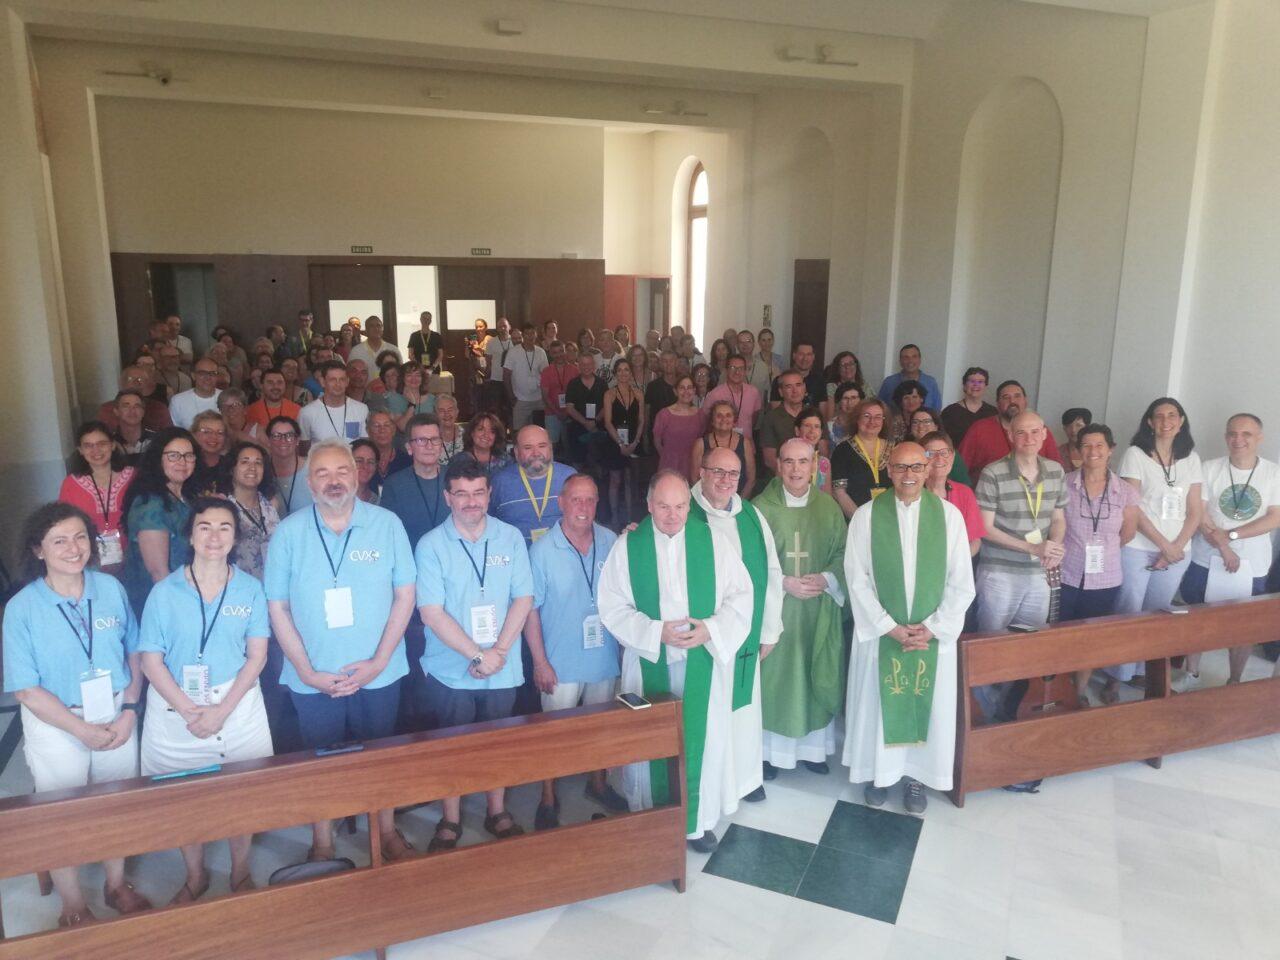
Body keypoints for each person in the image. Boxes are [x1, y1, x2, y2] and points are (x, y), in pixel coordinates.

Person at [265, 439, 417, 862]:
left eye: (342, 471)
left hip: (379, 671)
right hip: (313, 676)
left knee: (380, 755)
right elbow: (276, 606)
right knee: (320, 764)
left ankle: (385, 830)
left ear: (356, 474)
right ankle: (323, 842)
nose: (334, 481)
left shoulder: (387, 525)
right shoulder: (289, 532)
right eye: (322, 473)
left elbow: (405, 595)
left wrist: (379, 661)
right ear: (309, 482)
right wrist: (306, 670)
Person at [3, 503, 151, 926]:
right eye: (59, 541)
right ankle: (73, 902)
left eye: (81, 536)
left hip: (115, 710)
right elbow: (26, 688)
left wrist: (128, 710)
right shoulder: (22, 608)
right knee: (60, 813)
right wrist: (80, 730)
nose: (73, 548)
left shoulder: (109, 589)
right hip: (57, 719)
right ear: (38, 550)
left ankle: (115, 883)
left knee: (115, 801)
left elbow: (134, 651)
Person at [598, 470, 754, 853]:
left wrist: (711, 630)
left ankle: (695, 823)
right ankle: (650, 818)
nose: (672, 515)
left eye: (680, 506)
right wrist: (655, 633)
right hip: (652, 659)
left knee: (700, 739)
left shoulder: (713, 542)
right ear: (649, 505)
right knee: (650, 743)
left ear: (690, 504)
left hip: (701, 659)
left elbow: (741, 597)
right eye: (663, 506)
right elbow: (612, 607)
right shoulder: (628, 546)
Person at [138, 498, 272, 902]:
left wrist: (221, 711)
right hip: (176, 706)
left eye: (225, 527)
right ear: (190, 534)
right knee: (185, 800)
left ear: (235, 537)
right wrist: (189, 710)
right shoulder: (164, 592)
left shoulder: (250, 588)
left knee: (242, 796)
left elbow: (258, 655)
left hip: (237, 703)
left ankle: (241, 870)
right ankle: (194, 875)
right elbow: (149, 659)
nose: (214, 536)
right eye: (205, 527)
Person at [842, 442, 976, 812]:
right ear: (889, 470)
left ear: (928, 468)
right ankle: (878, 774)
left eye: (916, 467)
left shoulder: (949, 517)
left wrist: (933, 627)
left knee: (926, 706)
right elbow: (857, 579)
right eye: (900, 467)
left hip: (930, 639)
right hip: (882, 637)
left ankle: (917, 778)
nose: (908, 475)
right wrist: (888, 626)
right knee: (877, 705)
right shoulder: (867, 517)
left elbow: (962, 582)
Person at [415, 457, 534, 850]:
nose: (471, 502)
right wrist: (476, 655)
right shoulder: (431, 545)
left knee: (497, 744)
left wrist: (497, 651)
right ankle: (450, 819)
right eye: (461, 494)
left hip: (503, 665)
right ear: (448, 497)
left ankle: (496, 810)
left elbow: (524, 596)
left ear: (489, 493)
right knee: (453, 745)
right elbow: (431, 612)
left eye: (478, 492)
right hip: (452, 669)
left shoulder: (510, 537)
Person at [523, 474, 628, 829]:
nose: (583, 508)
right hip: (559, 662)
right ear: (561, 503)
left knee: (601, 729)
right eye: (576, 500)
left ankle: (598, 783)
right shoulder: (541, 550)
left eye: (591, 500)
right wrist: (539, 662)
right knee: (553, 735)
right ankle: (548, 796)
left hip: (603, 658)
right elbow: (530, 610)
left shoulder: (611, 541)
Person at [750, 438, 848, 779]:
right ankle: (768, 755)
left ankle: (813, 749)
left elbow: (843, 555)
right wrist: (784, 582)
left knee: (812, 670)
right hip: (776, 612)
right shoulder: (760, 508)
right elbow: (749, 563)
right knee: (776, 679)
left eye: (802, 462)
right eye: (788, 462)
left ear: (814, 465)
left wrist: (824, 579)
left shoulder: (828, 507)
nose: (795, 469)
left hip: (818, 610)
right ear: (777, 465)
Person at [692, 447, 784, 804]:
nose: (725, 480)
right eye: (718, 471)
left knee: (743, 711)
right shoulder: (684, 513)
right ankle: (711, 785)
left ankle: (745, 779)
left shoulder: (752, 517)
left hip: (744, 634)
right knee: (710, 712)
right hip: (704, 637)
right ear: (702, 472)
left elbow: (772, 572)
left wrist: (770, 628)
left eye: (733, 474)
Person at [974, 411, 1067, 719]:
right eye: (1021, 433)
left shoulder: (1055, 471)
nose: (1029, 439)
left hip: (1037, 575)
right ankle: (987, 715)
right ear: (1010, 437)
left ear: (1045, 434)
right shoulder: (993, 472)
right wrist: (1033, 546)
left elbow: (1058, 518)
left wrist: (1055, 545)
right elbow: (985, 528)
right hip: (999, 573)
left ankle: (1010, 710)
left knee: (1026, 647)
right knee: (993, 646)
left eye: (1034, 432)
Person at [1184, 413, 1280, 683]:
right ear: (1226, 437)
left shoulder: (1273, 472)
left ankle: (1234, 680)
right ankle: (1191, 673)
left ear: (1259, 438)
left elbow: (1275, 517)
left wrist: (1232, 535)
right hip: (1206, 557)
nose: (1238, 439)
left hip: (1254, 563)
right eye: (1232, 433)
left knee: (1244, 626)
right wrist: (1224, 547)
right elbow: (1198, 511)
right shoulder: (1209, 467)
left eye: (1246, 434)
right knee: (1197, 618)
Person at [1054, 424, 1140, 703]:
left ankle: (1079, 691)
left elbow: (1128, 532)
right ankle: (1056, 688)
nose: (1093, 451)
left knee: (1091, 637)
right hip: (1065, 573)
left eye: (1099, 445)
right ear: (1078, 450)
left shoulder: (1124, 491)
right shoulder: (1063, 483)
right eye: (1087, 446)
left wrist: (1104, 549)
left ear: (1111, 449)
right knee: (1060, 634)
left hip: (1105, 578)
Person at [1116, 398, 1203, 623]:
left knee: (1158, 616)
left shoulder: (1192, 458)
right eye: (1159, 416)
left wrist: (1175, 548)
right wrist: (1165, 546)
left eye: (1172, 415)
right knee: (1128, 613)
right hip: (1138, 548)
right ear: (1150, 422)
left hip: (1178, 550)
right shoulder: (1135, 454)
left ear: (1181, 420)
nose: (1166, 421)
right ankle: (1125, 660)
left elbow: (1195, 510)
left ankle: (1146, 660)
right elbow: (1132, 507)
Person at [122, 427, 196, 614]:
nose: (182, 462)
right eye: (173, 456)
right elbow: (158, 573)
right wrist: (181, 614)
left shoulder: (185, 497)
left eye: (188, 455)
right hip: (165, 605)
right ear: (158, 459)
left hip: (190, 594)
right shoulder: (151, 505)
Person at [59, 421, 135, 575]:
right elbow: (64, 524)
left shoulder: (133, 476)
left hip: (134, 556)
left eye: (102, 443)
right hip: (90, 561)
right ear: (80, 450)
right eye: (88, 445)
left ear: (113, 445)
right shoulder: (71, 484)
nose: (96, 450)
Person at [488, 425, 576, 545]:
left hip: (562, 556)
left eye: (542, 446)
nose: (536, 453)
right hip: (517, 557)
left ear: (550, 448)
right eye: (528, 447)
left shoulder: (570, 478)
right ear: (516, 452)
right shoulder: (499, 482)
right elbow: (488, 525)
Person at [959, 379, 1063, 480]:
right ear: (998, 403)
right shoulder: (979, 429)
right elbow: (960, 468)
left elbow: (1055, 470)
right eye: (1006, 397)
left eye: (1017, 396)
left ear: (1025, 401)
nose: (1012, 401)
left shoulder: (1039, 430)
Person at [215, 440, 279, 580]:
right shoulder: (222, 507)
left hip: (272, 585)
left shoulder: (270, 505)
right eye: (245, 462)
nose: (252, 467)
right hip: (237, 589)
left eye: (258, 463)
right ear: (232, 468)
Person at [920, 431, 986, 556]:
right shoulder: (912, 494)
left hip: (957, 568)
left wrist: (955, 563)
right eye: (931, 454)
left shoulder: (964, 493)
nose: (939, 459)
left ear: (953, 456)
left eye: (944, 453)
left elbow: (975, 540)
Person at [830, 398, 894, 519]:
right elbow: (839, 492)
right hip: (855, 519)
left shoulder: (894, 449)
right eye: (866, 416)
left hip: (889, 519)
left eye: (878, 417)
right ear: (857, 418)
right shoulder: (842, 450)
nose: (872, 421)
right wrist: (860, 520)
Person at [601, 358, 645, 527]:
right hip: (615, 442)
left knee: (630, 480)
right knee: (615, 479)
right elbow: (607, 422)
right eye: (619, 370)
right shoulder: (610, 394)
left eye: (626, 369)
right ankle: (614, 517)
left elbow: (641, 420)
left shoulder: (638, 393)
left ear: (631, 372)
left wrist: (635, 442)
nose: (623, 373)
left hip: (634, 441)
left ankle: (628, 517)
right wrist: (620, 444)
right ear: (615, 373)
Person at [690, 400, 755, 495]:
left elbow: (751, 479)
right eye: (719, 416)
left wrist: (740, 503)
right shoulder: (700, 444)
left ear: (734, 421)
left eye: (728, 415)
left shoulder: (745, 443)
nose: (724, 419)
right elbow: (694, 478)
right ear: (712, 421)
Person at [299, 361, 369, 445]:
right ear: (322, 381)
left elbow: (365, 446)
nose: (338, 384)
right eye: (332, 380)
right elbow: (303, 450)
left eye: (342, 379)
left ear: (347, 381)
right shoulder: (307, 412)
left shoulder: (361, 409)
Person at [651, 374, 704, 480]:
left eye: (689, 388)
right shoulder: (664, 414)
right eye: (682, 388)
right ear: (675, 391)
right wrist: (668, 457)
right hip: (669, 465)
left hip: (693, 465)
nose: (686, 391)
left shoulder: (700, 414)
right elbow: (657, 442)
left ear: (694, 391)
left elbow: (702, 440)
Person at [759, 369, 809, 476]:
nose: (795, 391)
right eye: (789, 387)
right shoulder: (770, 418)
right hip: (782, 478)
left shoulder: (814, 415)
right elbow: (769, 460)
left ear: (804, 388)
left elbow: (823, 452)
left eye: (798, 385)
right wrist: (794, 477)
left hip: (812, 478)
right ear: (781, 392)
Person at [564, 352, 608, 468]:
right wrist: (585, 422)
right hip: (577, 426)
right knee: (578, 462)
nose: (586, 367)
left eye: (589, 364)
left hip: (598, 425)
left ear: (594, 365)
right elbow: (569, 408)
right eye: (583, 364)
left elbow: (606, 406)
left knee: (600, 460)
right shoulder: (573, 384)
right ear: (578, 366)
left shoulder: (602, 384)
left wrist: (595, 421)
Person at [265, 415, 313, 516]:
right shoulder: (260, 470)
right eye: (277, 436)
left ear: (297, 440)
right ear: (268, 440)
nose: (283, 441)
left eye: (289, 436)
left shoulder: (312, 470)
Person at [704, 353, 763, 436]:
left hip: (747, 444)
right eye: (732, 368)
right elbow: (706, 421)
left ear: (745, 371)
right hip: (721, 445)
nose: (737, 372)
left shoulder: (754, 392)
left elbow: (754, 418)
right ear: (726, 370)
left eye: (741, 368)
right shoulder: (714, 395)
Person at [503, 322, 548, 430]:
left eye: (532, 333)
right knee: (519, 432)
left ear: (536, 335)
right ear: (523, 335)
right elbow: (506, 375)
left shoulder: (541, 352)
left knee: (539, 431)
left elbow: (546, 375)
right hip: (521, 399)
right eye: (527, 334)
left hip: (539, 399)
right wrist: (512, 396)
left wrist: (546, 397)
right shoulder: (513, 352)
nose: (530, 336)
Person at [909, 407, 970, 484]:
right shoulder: (904, 451)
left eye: (927, 422)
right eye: (915, 422)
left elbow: (964, 484)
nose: (920, 426)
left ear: (936, 426)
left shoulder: (948, 452)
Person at [877, 343, 942, 411]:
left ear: (919, 359)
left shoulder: (931, 383)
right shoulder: (889, 383)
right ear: (900, 361)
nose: (910, 361)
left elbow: (936, 411)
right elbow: (880, 409)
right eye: (906, 357)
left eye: (914, 356)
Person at [539, 339, 575, 453]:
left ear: (565, 352)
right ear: (551, 354)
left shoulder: (574, 370)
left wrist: (568, 412)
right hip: (552, 413)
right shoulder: (546, 371)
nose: (559, 355)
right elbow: (545, 396)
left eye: (561, 351)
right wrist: (558, 412)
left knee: (570, 444)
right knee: (551, 445)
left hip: (572, 413)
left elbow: (577, 394)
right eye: (555, 352)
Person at [169, 357, 222, 430]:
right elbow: (173, 432)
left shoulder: (227, 398)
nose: (208, 377)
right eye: (202, 373)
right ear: (193, 376)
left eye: (212, 373)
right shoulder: (178, 401)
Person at [245, 368, 301, 435]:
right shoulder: (251, 411)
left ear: (285, 385)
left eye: (279, 382)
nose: (275, 386)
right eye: (270, 383)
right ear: (261, 386)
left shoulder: (298, 410)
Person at [455, 412, 511, 478]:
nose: (486, 435)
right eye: (481, 429)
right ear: (472, 433)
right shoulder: (458, 461)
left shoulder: (506, 461)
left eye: (492, 431)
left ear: (496, 436)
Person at [770, 340, 823, 407]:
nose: (805, 358)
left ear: (813, 357)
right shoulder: (779, 380)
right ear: (794, 356)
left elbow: (822, 413)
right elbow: (776, 411)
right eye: (801, 354)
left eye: (808, 354)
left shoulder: (820, 381)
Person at [387, 360, 436, 432]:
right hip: (403, 442)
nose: (414, 379)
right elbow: (403, 428)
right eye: (409, 375)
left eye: (418, 375)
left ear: (422, 378)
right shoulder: (394, 398)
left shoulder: (432, 399)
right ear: (402, 378)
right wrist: (412, 404)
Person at [366, 410, 409, 491]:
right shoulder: (362, 462)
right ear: (368, 431)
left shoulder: (407, 461)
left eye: (386, 425)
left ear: (393, 430)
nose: (382, 430)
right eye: (376, 426)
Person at [480, 317, 514, 419]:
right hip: (496, 380)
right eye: (500, 327)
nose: (503, 328)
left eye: (505, 326)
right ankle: (499, 432)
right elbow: (488, 361)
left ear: (509, 327)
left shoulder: (515, 340)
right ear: (497, 329)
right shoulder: (491, 342)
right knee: (496, 409)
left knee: (511, 409)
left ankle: (512, 433)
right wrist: (487, 377)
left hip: (513, 380)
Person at [794, 407, 832, 494]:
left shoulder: (824, 463)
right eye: (807, 426)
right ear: (797, 430)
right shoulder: (788, 460)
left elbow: (827, 498)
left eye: (816, 426)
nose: (812, 431)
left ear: (821, 432)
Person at [188, 410, 228, 495]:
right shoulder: (186, 466)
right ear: (194, 434)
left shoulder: (231, 467)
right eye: (206, 432)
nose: (213, 436)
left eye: (220, 433)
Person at [111, 389, 155, 463]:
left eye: (137, 406)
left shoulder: (157, 439)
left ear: (143, 412)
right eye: (126, 406)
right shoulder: (109, 442)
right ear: (116, 411)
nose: (132, 411)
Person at [822, 352, 867, 421]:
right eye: (843, 365)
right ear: (838, 369)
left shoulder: (866, 386)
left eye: (851, 364)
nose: (847, 367)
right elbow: (829, 418)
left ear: (856, 366)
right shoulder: (831, 387)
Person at [745, 328, 783, 400]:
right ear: (759, 342)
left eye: (769, 340)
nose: (767, 343)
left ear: (773, 341)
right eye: (763, 340)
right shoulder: (755, 359)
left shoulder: (779, 359)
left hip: (776, 397)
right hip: (759, 397)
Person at [826, 381, 863, 447]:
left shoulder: (865, 425)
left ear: (860, 400)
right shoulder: (829, 427)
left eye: (853, 398)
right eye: (845, 398)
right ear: (839, 401)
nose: (849, 402)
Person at [435, 394, 465, 464]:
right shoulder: (430, 437)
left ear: (457, 412)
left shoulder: (467, 436)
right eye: (442, 411)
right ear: (435, 414)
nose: (446, 414)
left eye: (450, 410)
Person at [1060, 407, 1092, 472]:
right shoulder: (1058, 452)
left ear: (1087, 427)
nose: (1073, 430)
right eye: (1069, 426)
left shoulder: (1095, 452)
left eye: (1078, 425)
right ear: (1064, 428)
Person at [352, 439, 380, 503]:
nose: (365, 466)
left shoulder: (378, 502)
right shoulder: (334, 497)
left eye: (370, 462)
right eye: (359, 461)